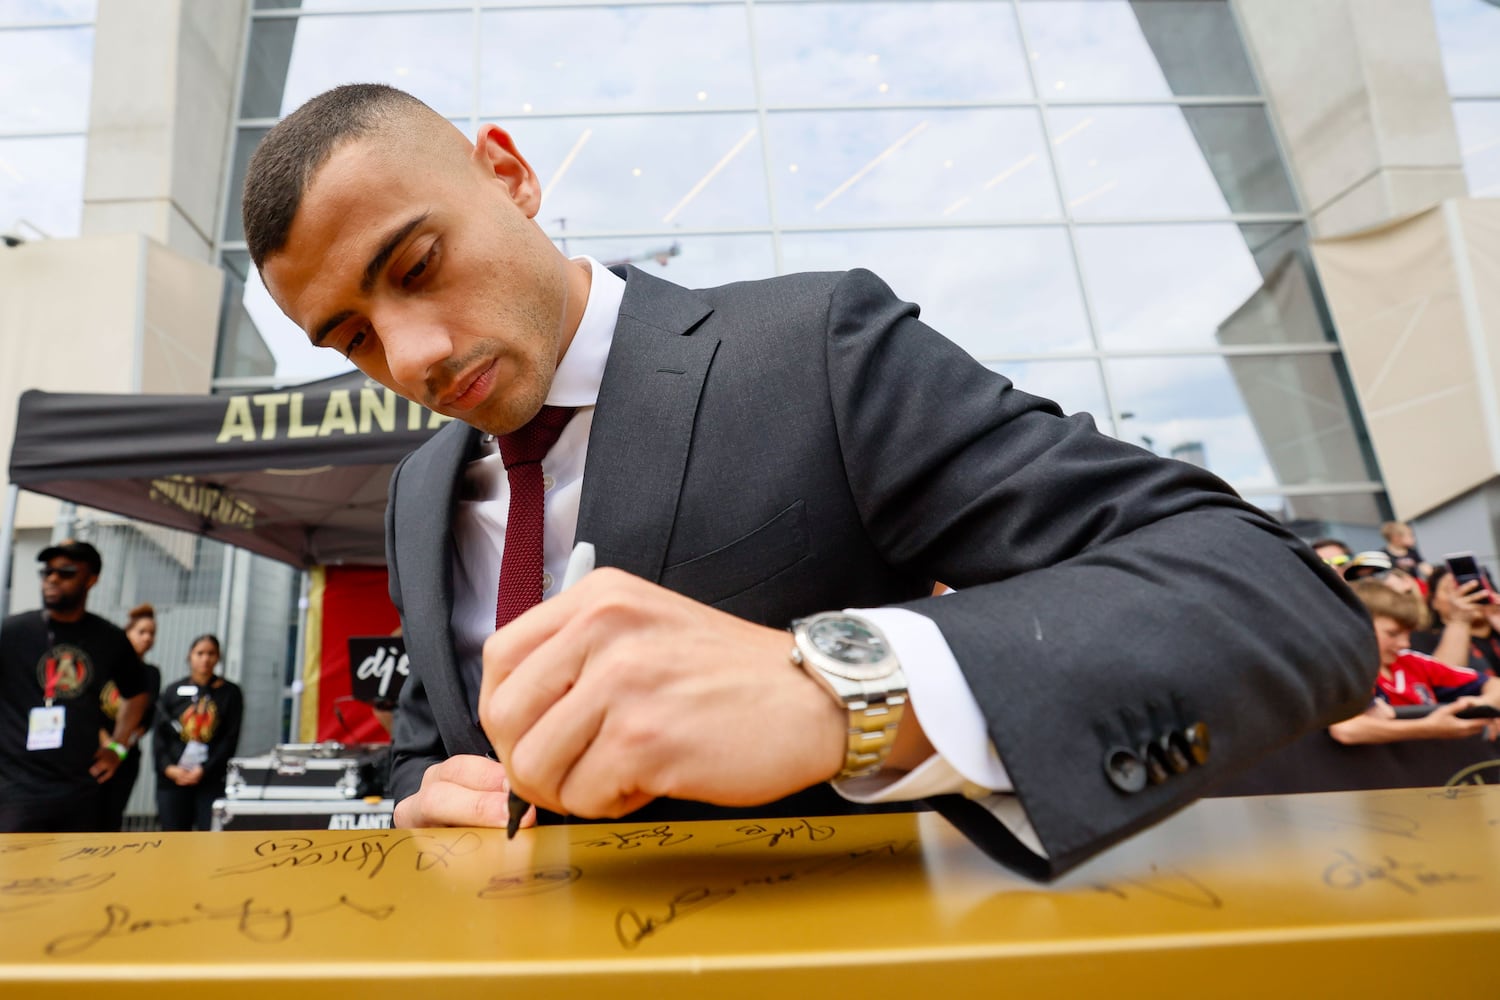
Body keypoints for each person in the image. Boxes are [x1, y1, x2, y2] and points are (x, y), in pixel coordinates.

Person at [242, 83, 1375, 880]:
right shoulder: (421, 488)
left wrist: (843, 689)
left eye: (417, 266)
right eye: (352, 337)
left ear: (508, 172)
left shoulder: (816, 349)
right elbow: (423, 734)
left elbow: (1265, 593)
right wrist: (417, 796)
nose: (415, 356)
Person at [0, 540, 148, 832]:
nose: (53, 579)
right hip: (15, 788)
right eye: (48, 572)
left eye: (66, 572)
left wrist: (118, 748)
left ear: (91, 580)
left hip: (81, 788)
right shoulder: (13, 632)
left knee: (81, 876)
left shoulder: (109, 638)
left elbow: (137, 693)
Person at [1329, 581, 1500, 745]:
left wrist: (1482, 704)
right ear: (1356, 626)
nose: (1405, 644)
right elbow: (1346, 729)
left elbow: (1494, 685)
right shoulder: (1343, 671)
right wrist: (1428, 727)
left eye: (1407, 634)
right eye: (1393, 633)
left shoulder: (1413, 663)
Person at [153, 634, 243, 831]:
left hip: (209, 778)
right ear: (190, 656)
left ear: (218, 657)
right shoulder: (173, 691)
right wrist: (169, 768)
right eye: (200, 653)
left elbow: (230, 738)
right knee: (173, 837)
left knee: (209, 835)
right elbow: (159, 737)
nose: (205, 658)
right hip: (173, 779)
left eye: (211, 653)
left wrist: (204, 769)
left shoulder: (230, 692)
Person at [97, 603, 163, 831]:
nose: (147, 638)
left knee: (112, 817)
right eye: (141, 632)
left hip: (126, 753)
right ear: (127, 633)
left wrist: (118, 746)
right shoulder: (104, 665)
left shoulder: (151, 674)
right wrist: (104, 741)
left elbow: (147, 717)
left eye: (152, 633)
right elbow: (89, 708)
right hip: (93, 750)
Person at [1408, 566, 1500, 678]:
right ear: (1434, 602)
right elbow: (1444, 681)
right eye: (1451, 590)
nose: (1466, 595)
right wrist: (1460, 621)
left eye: (1474, 588)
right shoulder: (1421, 639)